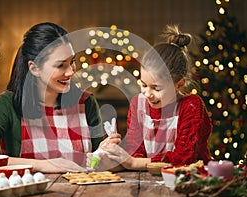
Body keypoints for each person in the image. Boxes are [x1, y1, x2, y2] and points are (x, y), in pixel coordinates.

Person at [0, 22, 105, 173]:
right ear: (34, 68)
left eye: (72, 62)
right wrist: (43, 165)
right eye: (61, 65)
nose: (70, 72)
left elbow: (100, 159)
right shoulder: (8, 104)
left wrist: (108, 152)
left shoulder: (86, 103)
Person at [89, 24, 213, 171]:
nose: (148, 94)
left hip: (190, 180)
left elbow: (183, 159)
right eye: (144, 85)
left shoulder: (191, 106)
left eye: (156, 88)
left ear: (179, 85)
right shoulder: (138, 104)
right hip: (151, 179)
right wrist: (115, 156)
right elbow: (136, 151)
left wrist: (133, 163)